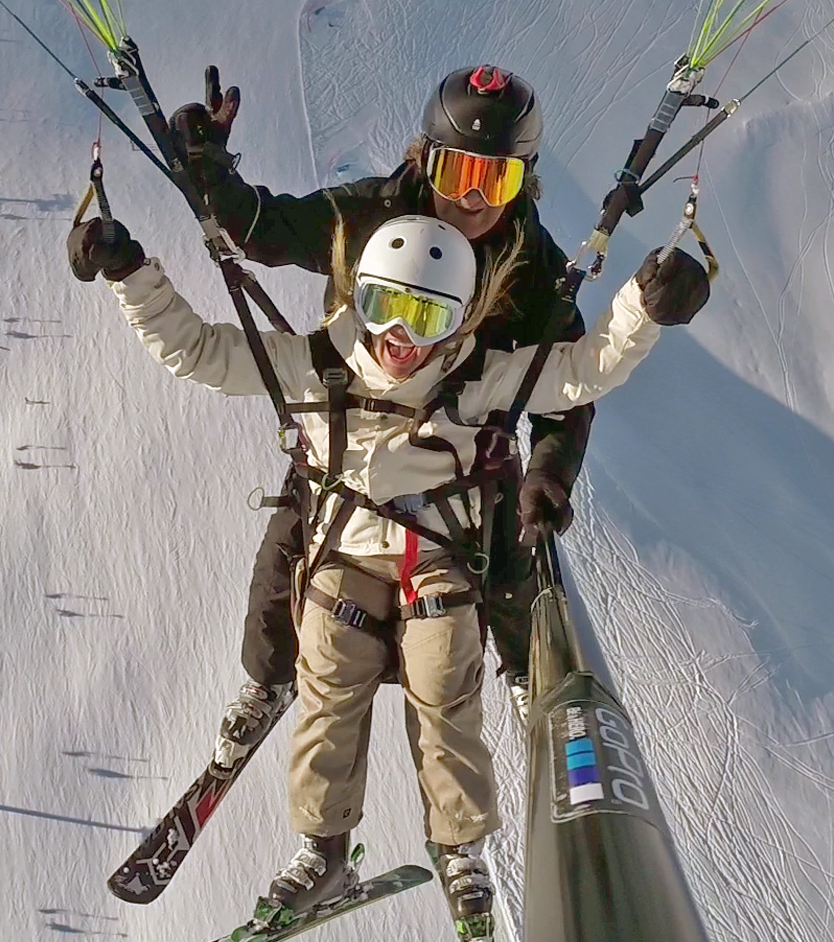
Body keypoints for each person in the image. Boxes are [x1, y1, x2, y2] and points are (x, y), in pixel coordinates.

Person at [68, 208, 708, 928]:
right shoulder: (318, 361)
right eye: (386, 306)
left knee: (443, 682)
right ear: (360, 298)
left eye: (426, 316)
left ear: (460, 319)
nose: (402, 336)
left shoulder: (477, 377)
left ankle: (459, 844)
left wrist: (639, 309)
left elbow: (577, 373)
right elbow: (198, 350)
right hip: (345, 550)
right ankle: (323, 845)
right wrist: (129, 273)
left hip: (435, 558)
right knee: (329, 676)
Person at [168, 65, 594, 761]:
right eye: (458, 172)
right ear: (424, 160)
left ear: (526, 182)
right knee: (291, 546)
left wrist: (548, 472)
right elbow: (268, 229)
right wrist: (210, 170)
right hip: (356, 423)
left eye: (499, 180)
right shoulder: (373, 215)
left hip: (462, 445)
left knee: (511, 545)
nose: (474, 200)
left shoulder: (531, 266)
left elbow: (565, 384)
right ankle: (269, 680)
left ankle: (526, 672)